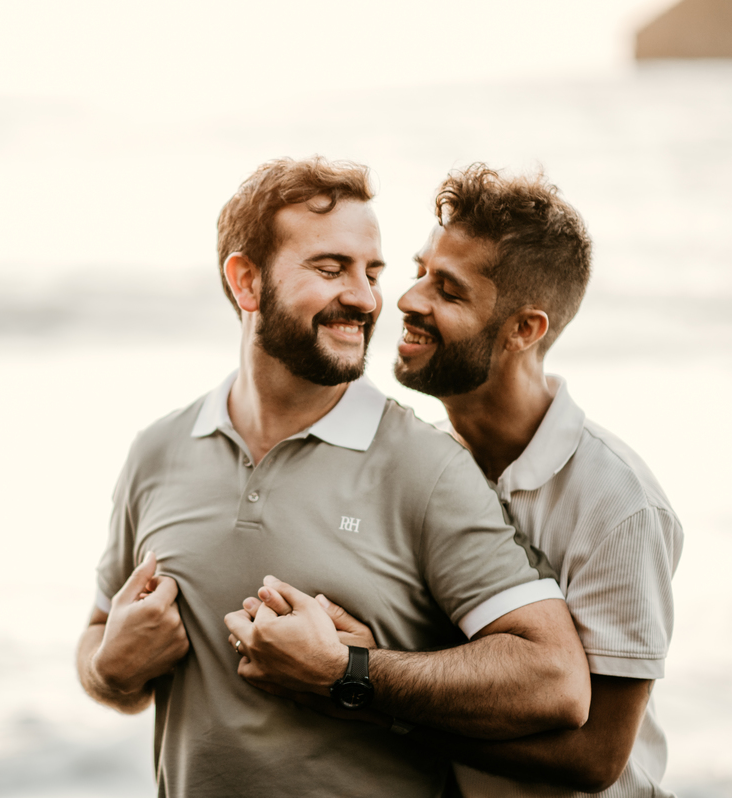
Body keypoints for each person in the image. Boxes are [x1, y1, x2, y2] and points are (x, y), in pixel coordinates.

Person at [76, 156, 591, 798]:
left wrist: (349, 672)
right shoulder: (157, 450)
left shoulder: (424, 466)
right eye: (331, 268)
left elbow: (555, 680)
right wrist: (110, 670)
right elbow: (99, 642)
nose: (366, 298)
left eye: (371, 272)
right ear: (246, 282)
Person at [229, 164, 684, 797]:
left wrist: (358, 689)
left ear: (524, 329)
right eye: (418, 272)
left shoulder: (616, 502)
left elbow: (596, 757)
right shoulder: (422, 462)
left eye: (448, 288)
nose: (409, 300)